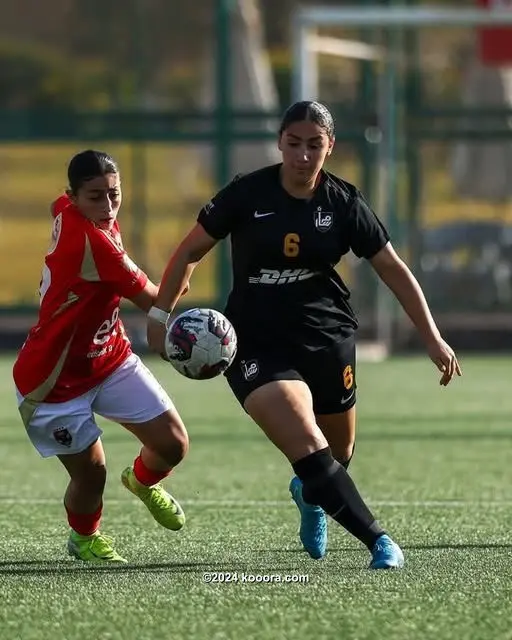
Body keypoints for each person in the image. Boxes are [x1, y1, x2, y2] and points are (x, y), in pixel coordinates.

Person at [146, 101, 461, 569]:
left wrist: (432, 338)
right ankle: (379, 541)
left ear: (329, 147)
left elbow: (393, 270)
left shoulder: (344, 203)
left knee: (339, 452)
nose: (303, 155)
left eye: (315, 145)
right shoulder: (246, 194)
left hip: (326, 334)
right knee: (309, 446)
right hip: (256, 342)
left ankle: (310, 495)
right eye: (294, 143)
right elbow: (191, 249)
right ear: (279, 142)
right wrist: (158, 316)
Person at [13, 150, 190, 563]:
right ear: (72, 197)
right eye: (95, 197)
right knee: (91, 475)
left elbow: (57, 206)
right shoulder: (93, 244)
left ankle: (143, 481)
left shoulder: (71, 209)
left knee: (173, 444)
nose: (108, 206)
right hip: (53, 382)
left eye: (114, 193)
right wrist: (188, 261)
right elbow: (155, 302)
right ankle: (84, 538)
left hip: (109, 356)